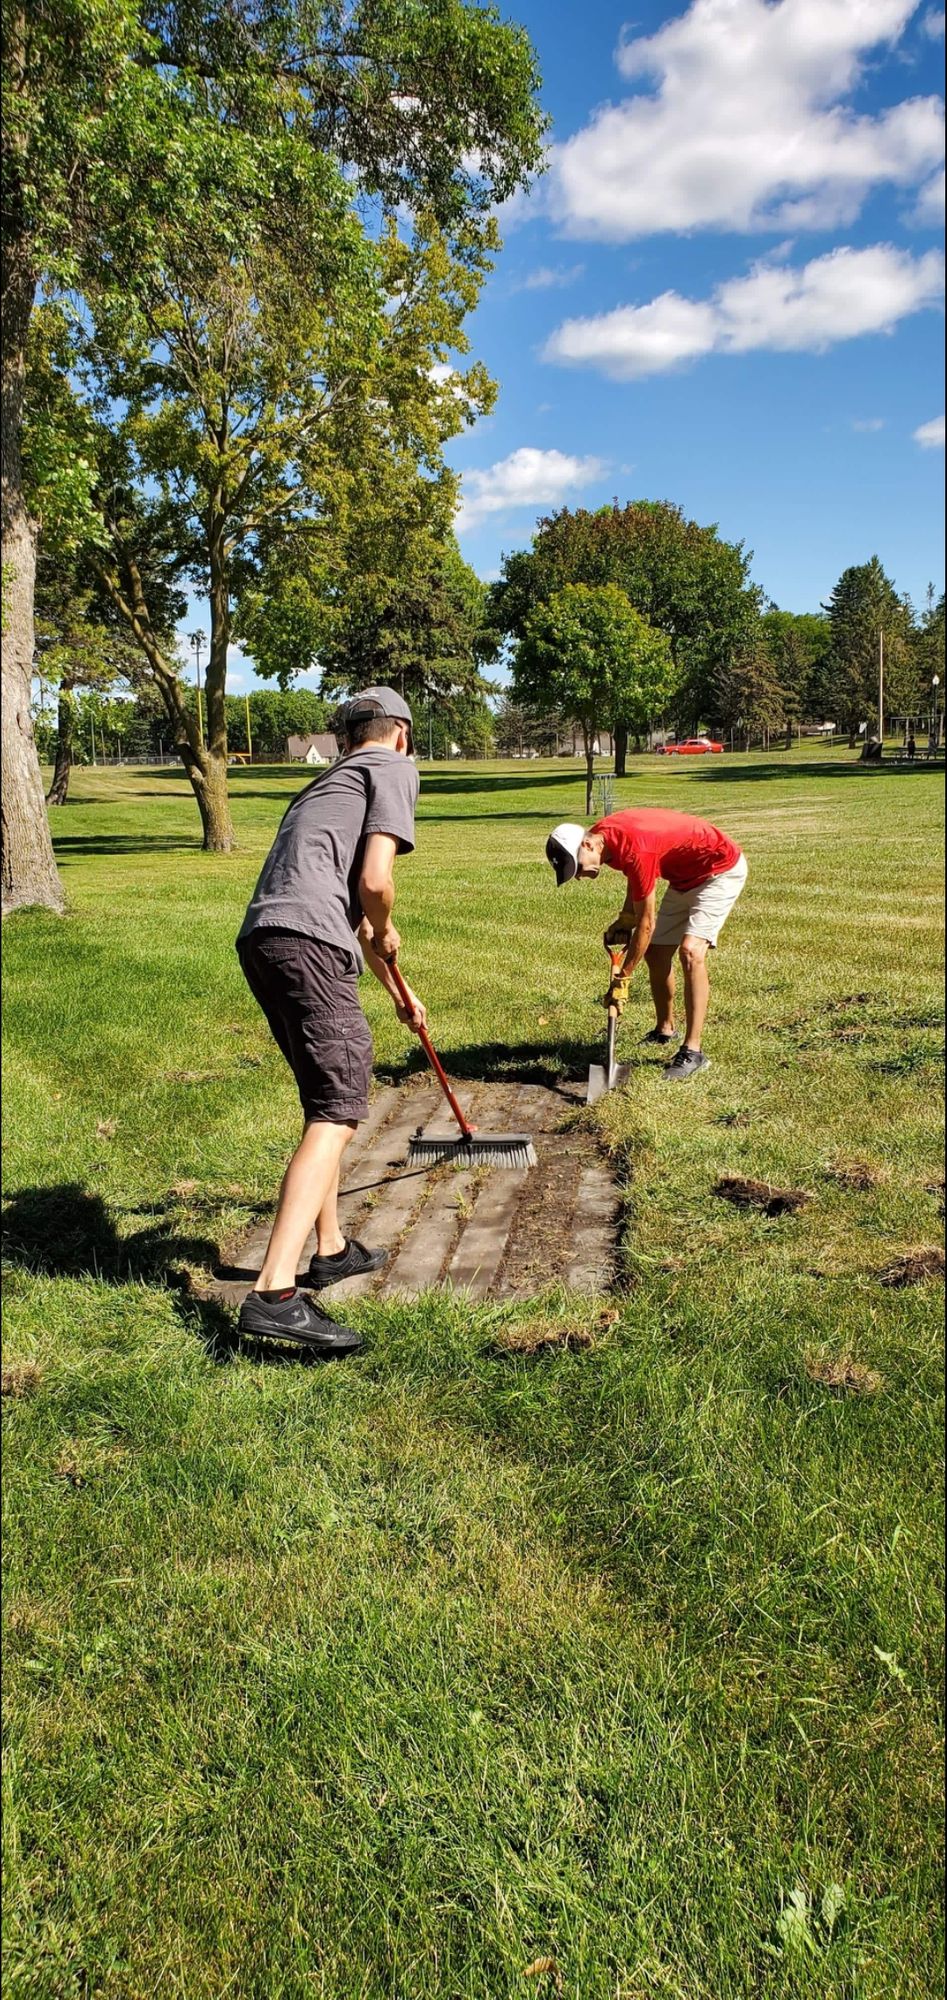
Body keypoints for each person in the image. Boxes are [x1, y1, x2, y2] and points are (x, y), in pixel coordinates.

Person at [235, 688, 426, 1353]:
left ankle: (332, 1248)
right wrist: (382, 918)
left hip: (266, 938)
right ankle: (275, 1295)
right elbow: (374, 883)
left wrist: (397, 986)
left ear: (344, 737)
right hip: (309, 942)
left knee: (322, 1102)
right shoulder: (393, 768)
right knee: (338, 1113)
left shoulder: (328, 782)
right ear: (398, 733)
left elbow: (343, 901)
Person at [545, 807, 747, 1081]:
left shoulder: (634, 846)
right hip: (683, 879)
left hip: (718, 871)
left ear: (587, 844)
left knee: (691, 952)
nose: (580, 875)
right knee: (656, 952)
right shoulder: (606, 839)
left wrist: (624, 977)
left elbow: (647, 924)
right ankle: (665, 1029)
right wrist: (625, 919)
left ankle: (694, 1051)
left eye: (577, 867)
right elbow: (637, 878)